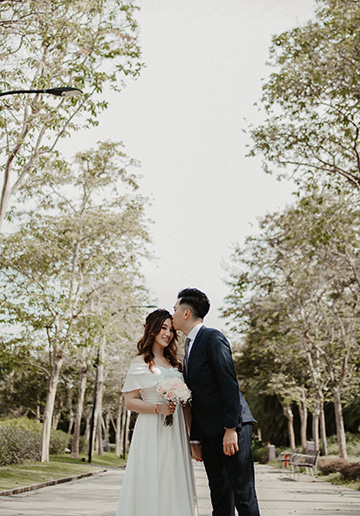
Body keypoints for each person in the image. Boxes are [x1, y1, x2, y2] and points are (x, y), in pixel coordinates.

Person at [172, 288, 260, 516]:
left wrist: (231, 429)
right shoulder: (188, 347)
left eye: (174, 309)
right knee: (219, 495)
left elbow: (228, 382)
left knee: (243, 494)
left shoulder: (212, 337)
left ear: (186, 312)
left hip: (232, 428)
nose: (172, 314)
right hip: (210, 434)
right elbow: (198, 398)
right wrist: (196, 439)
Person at [115, 309, 198, 516]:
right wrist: (157, 408)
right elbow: (130, 402)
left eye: (171, 329)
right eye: (163, 328)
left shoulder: (176, 365)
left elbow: (186, 405)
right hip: (151, 429)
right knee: (150, 477)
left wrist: (192, 438)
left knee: (174, 477)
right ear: (152, 330)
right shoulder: (140, 362)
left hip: (175, 431)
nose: (168, 334)